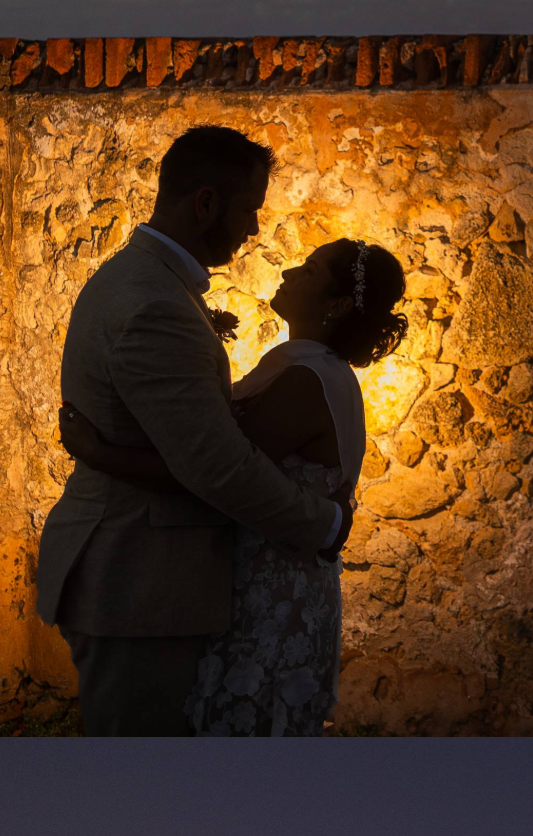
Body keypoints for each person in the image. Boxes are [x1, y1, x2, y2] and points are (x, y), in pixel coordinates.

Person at [34, 126, 353, 736]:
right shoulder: (157, 305)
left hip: (139, 583)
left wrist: (98, 451)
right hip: (139, 584)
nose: (255, 230)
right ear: (204, 203)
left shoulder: (136, 280)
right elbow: (218, 467)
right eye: (249, 209)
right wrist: (327, 523)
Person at [60, 235, 406, 734]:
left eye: (308, 271)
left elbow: (211, 470)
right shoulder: (298, 365)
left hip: (274, 597)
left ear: (333, 304)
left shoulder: (306, 381)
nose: (289, 273)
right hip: (259, 581)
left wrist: (100, 454)